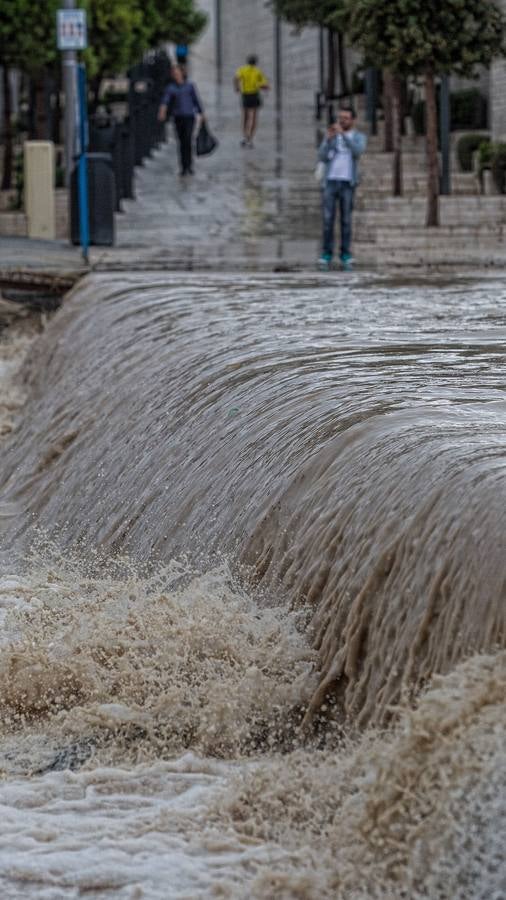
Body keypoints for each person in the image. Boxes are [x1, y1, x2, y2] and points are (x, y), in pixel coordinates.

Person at [317, 107, 367, 271]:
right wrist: (330, 139)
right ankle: (326, 253)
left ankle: (345, 253)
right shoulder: (332, 135)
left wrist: (344, 136)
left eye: (345, 118)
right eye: (340, 118)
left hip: (347, 182)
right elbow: (322, 156)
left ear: (353, 120)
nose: (342, 121)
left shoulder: (358, 137)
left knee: (346, 220)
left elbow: (357, 151)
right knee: (327, 220)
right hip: (330, 181)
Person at [158, 65, 204, 176]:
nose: (175, 75)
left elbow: (196, 100)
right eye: (174, 73)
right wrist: (162, 111)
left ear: (182, 74)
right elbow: (165, 100)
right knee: (181, 141)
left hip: (189, 116)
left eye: (177, 73)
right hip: (178, 117)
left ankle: (189, 165)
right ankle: (183, 166)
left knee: (188, 140)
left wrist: (201, 113)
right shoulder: (171, 88)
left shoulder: (190, 86)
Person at [233, 55, 270, 147]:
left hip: (245, 95)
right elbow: (264, 84)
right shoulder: (258, 71)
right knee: (254, 117)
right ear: (256, 62)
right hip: (254, 94)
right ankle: (250, 138)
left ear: (247, 61)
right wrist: (264, 87)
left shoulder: (242, 69)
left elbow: (236, 78)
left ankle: (245, 136)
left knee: (245, 116)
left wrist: (237, 87)